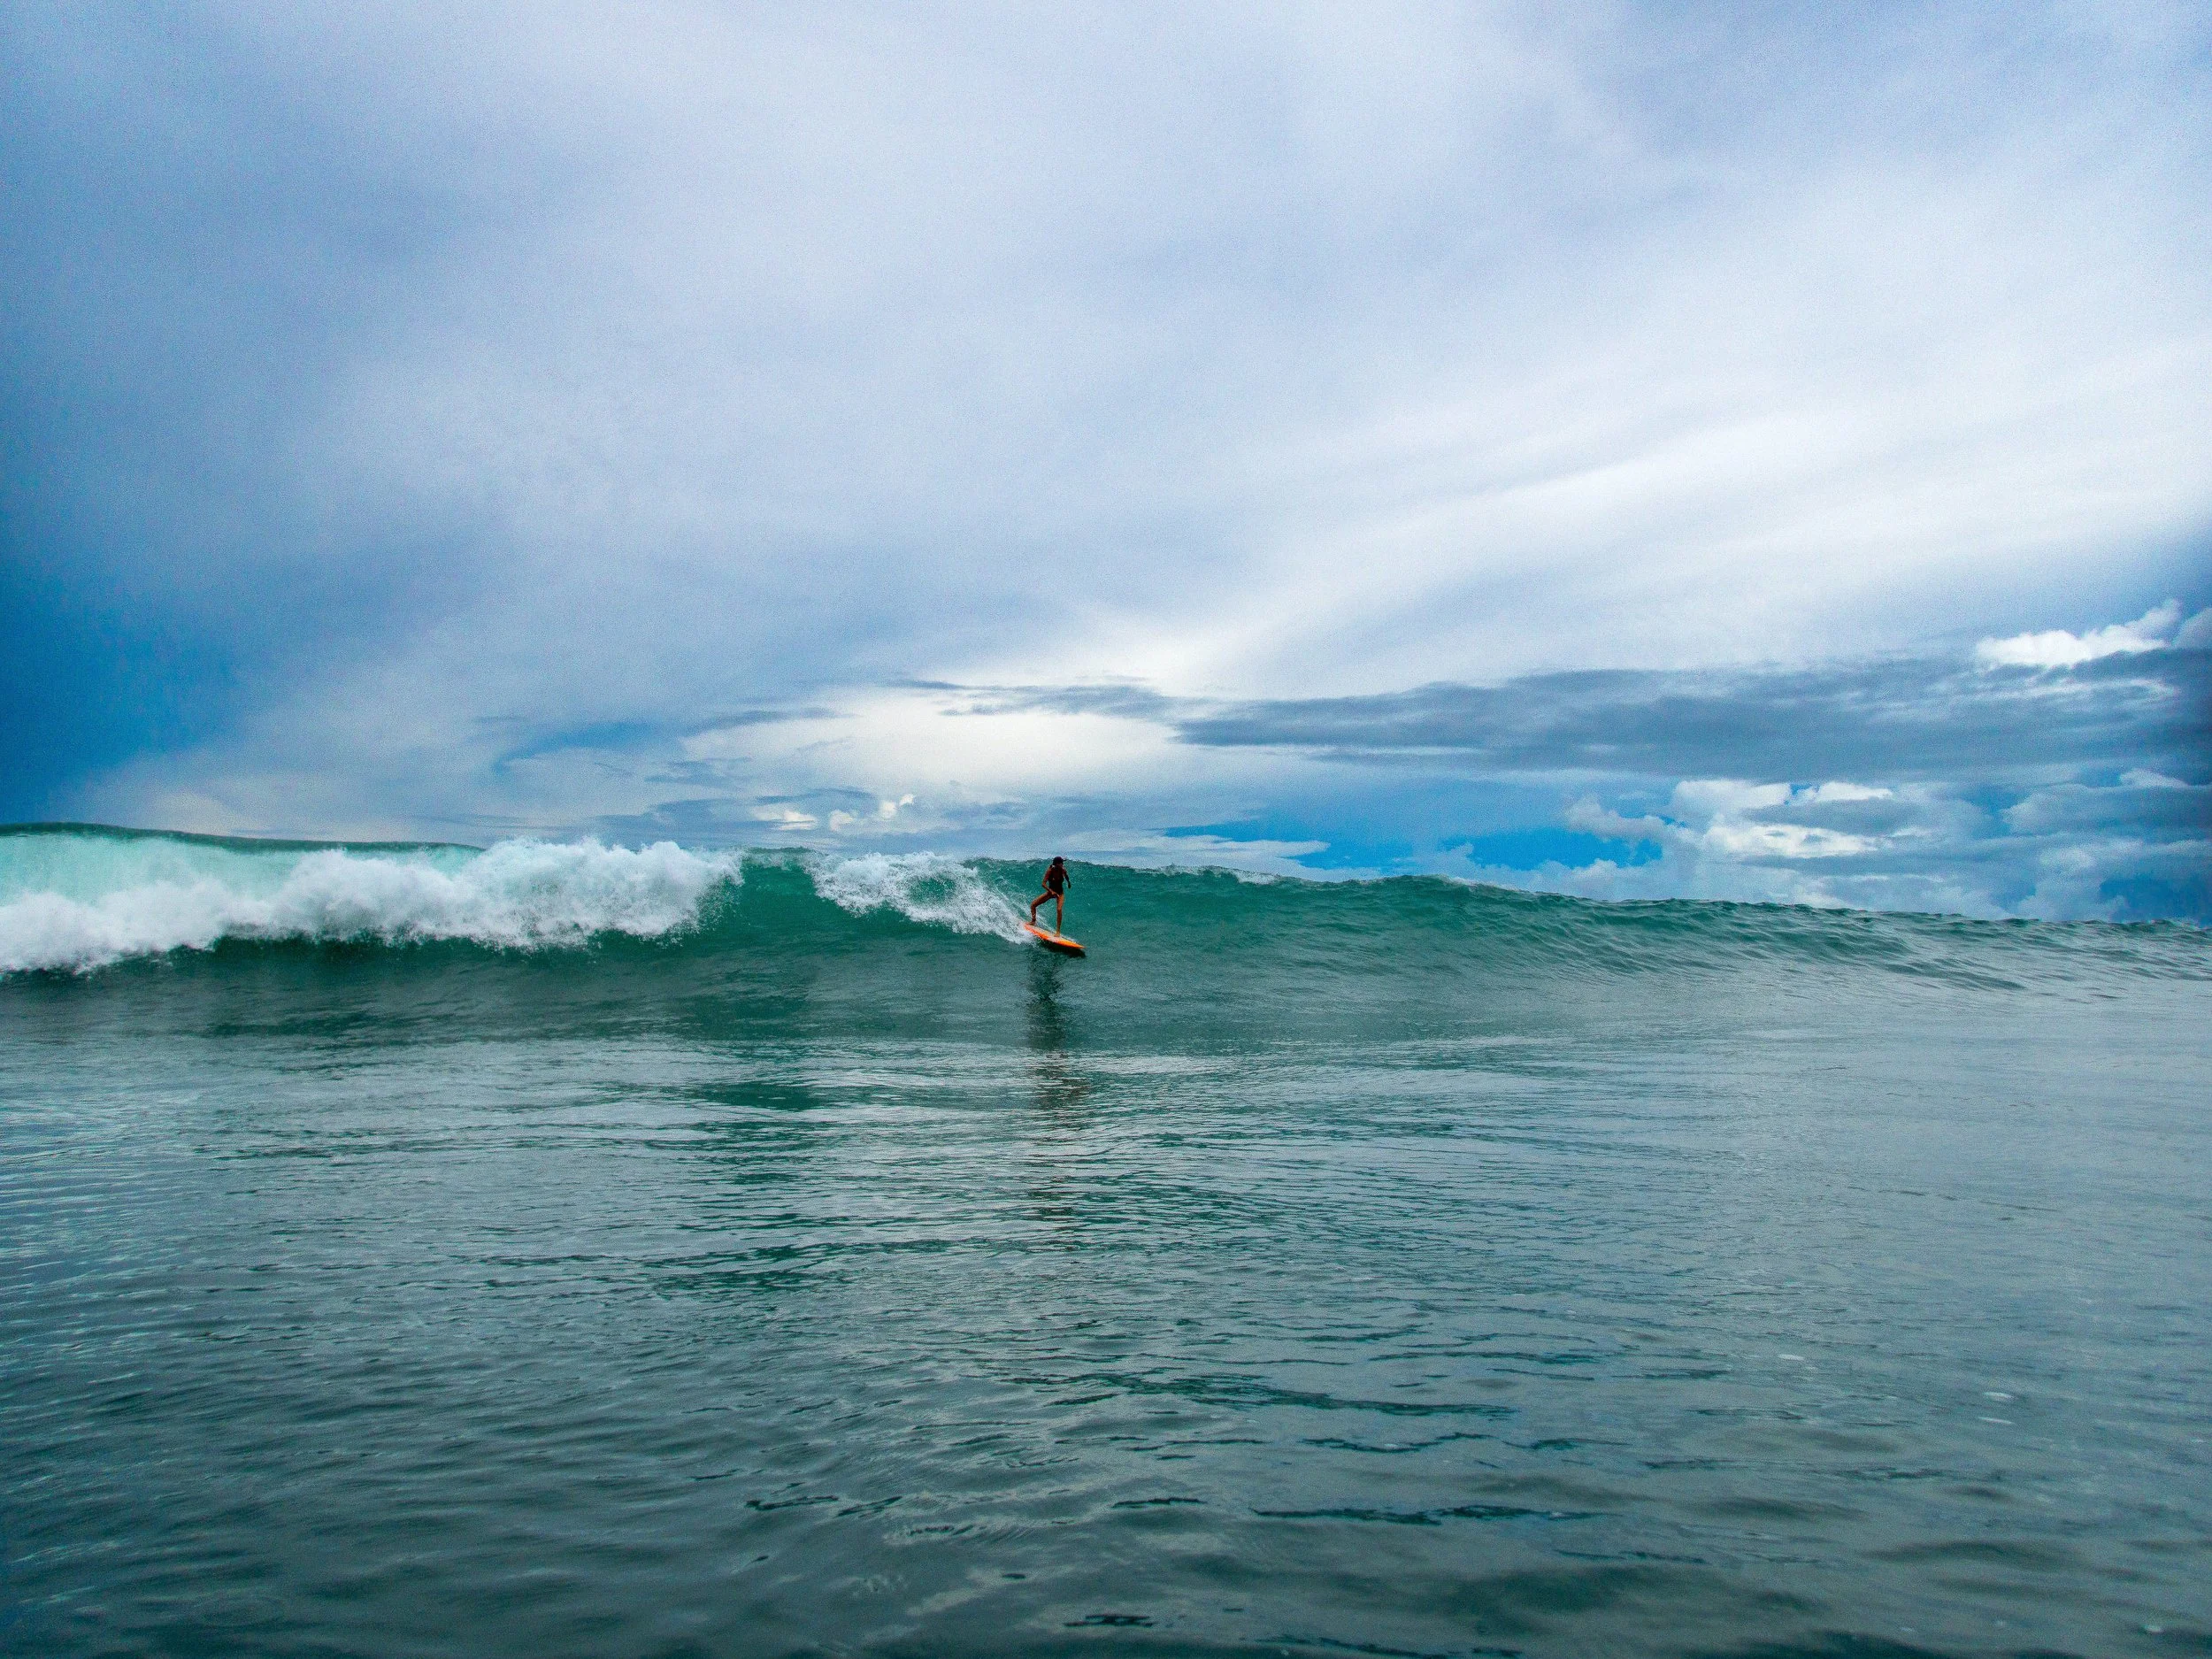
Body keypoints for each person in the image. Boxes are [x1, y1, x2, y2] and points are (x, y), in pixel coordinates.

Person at [1029, 856, 1071, 932]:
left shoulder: (1063, 870)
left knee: (1059, 909)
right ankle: (1033, 921)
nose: (1063, 864)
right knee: (1033, 905)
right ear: (1057, 864)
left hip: (1060, 893)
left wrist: (1068, 883)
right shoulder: (1050, 871)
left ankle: (1058, 931)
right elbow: (1043, 884)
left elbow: (1066, 876)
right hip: (1050, 892)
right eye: (1061, 863)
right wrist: (1051, 891)